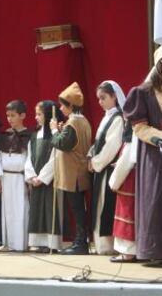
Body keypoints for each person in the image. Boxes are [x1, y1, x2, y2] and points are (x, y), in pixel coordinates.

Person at [123, 47, 162, 267]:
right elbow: (140, 127)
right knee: (155, 201)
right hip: (154, 156)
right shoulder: (143, 93)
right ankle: (155, 251)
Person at [50, 82, 92, 255]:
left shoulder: (73, 122)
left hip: (73, 173)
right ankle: (80, 241)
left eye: (63, 105)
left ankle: (80, 243)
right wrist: (61, 131)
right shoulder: (83, 122)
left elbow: (62, 144)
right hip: (78, 171)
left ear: (71, 106)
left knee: (77, 209)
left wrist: (54, 131)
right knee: (78, 208)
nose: (61, 108)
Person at [89, 81, 125, 255]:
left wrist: (95, 163)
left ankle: (108, 246)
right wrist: (91, 156)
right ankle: (100, 245)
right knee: (100, 206)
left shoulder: (117, 118)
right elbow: (98, 143)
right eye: (98, 98)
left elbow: (112, 147)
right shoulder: (107, 117)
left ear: (114, 97)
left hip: (108, 169)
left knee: (106, 206)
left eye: (103, 98)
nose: (100, 102)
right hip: (100, 169)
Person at [25, 100, 64, 253]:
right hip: (36, 180)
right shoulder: (34, 136)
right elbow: (29, 158)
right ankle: (38, 242)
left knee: (50, 209)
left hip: (49, 181)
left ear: (48, 116)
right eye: (36, 114)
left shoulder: (55, 135)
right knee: (36, 211)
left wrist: (42, 177)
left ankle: (52, 243)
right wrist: (32, 176)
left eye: (39, 114)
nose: (36, 117)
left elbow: (56, 157)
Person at [0, 100, 31, 251]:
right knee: (7, 211)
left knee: (21, 210)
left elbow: (30, 159)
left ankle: (21, 243)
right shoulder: (5, 135)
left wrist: (28, 179)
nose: (9, 119)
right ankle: (8, 243)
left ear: (22, 116)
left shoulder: (29, 135)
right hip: (6, 178)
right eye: (7, 116)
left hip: (20, 178)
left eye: (13, 115)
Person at [108, 122, 137, 263]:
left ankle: (128, 253)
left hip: (128, 183)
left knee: (127, 215)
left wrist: (113, 182)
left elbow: (125, 164)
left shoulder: (131, 143)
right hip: (135, 182)